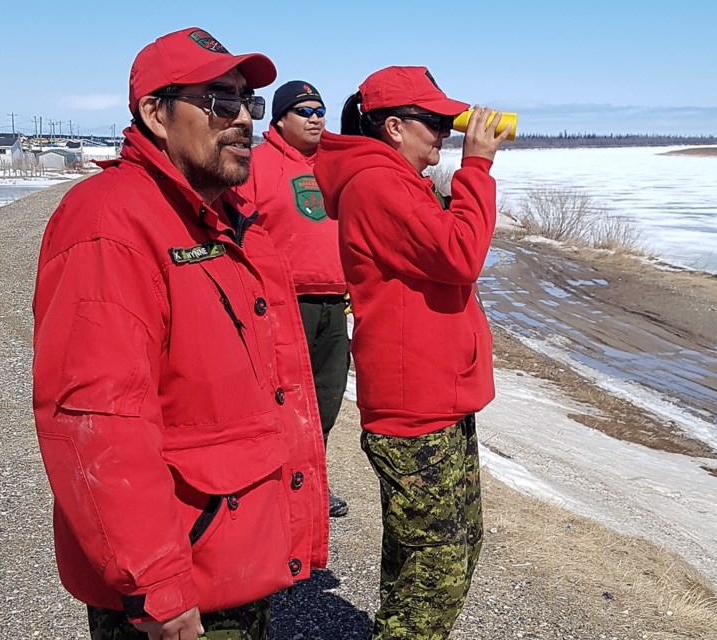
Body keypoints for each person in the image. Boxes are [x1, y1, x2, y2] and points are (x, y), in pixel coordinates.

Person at [31, 28, 329, 640]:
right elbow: (97, 420)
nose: (244, 118)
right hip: (177, 588)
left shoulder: (223, 219)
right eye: (220, 100)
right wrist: (158, 588)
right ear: (155, 114)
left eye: (250, 102)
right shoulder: (110, 222)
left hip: (229, 563)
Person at [313, 65, 511, 639]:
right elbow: (460, 255)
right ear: (394, 127)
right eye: (436, 122)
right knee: (434, 570)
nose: (446, 133)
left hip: (438, 397)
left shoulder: (398, 183)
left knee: (444, 550)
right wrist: (477, 168)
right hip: (414, 410)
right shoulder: (378, 184)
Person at [234, 80, 350, 518]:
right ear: (280, 118)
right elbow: (239, 227)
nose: (316, 117)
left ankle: (311, 483)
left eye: (320, 109)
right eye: (304, 110)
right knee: (282, 399)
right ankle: (272, 487)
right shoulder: (258, 163)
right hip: (282, 304)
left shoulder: (333, 166)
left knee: (326, 398)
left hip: (334, 304)